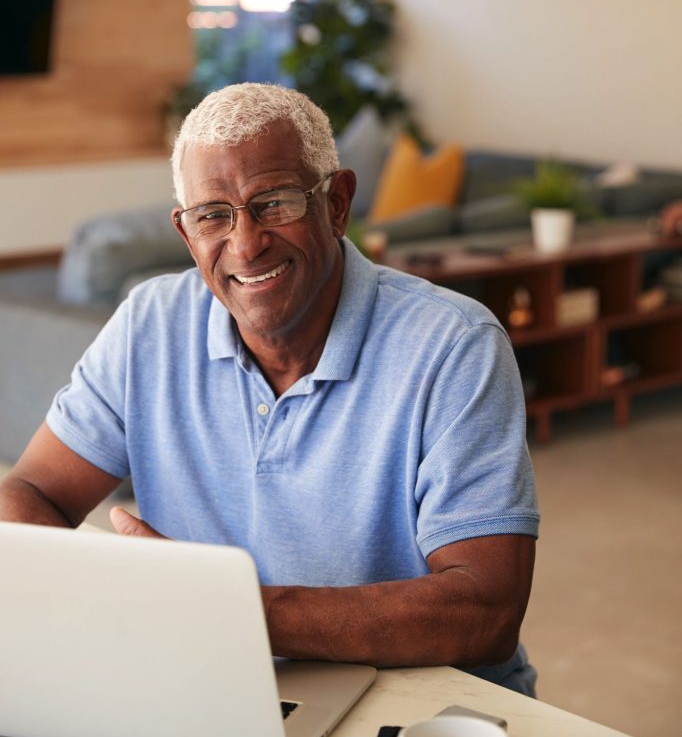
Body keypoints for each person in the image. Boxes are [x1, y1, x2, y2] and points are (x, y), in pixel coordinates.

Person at [0, 83, 539, 693]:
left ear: (337, 204)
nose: (247, 243)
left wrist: (230, 612)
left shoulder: (454, 344)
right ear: (186, 233)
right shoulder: (148, 324)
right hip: (216, 682)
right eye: (213, 215)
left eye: (274, 202)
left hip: (422, 704)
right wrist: (97, 603)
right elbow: (31, 489)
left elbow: (485, 609)